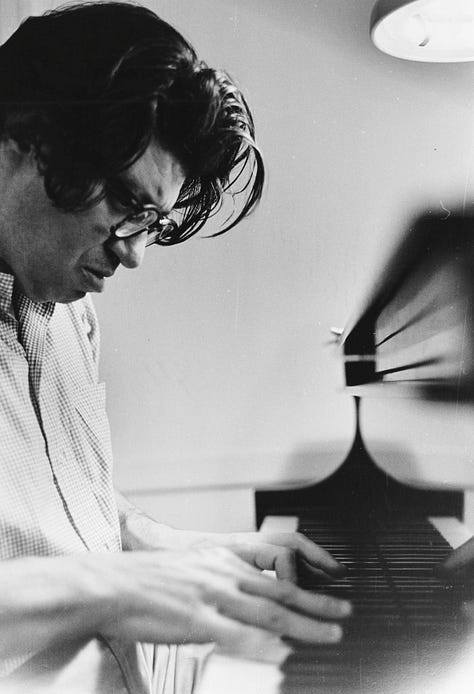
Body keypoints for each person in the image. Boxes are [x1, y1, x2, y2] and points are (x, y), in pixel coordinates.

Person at [0, 2, 352, 693]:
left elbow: (49, 504)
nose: (133, 254)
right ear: (22, 137)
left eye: (152, 223)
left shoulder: (73, 315)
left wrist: (164, 542)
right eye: (125, 205)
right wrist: (107, 587)